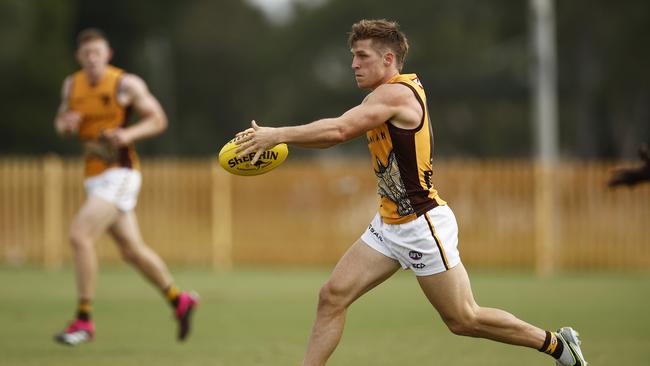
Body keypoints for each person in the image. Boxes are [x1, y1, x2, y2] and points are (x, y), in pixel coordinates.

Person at [235, 19, 587, 366]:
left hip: (422, 224)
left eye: (362, 56)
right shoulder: (381, 96)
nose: (353, 64)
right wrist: (282, 136)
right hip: (389, 225)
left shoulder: (397, 93)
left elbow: (340, 131)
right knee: (332, 296)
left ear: (388, 59)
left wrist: (277, 134)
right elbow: (334, 133)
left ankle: (558, 346)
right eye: (353, 56)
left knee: (463, 318)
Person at [53, 28, 198, 346]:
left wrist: (128, 136)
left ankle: (84, 320)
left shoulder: (124, 84)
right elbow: (61, 122)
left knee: (80, 236)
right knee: (131, 251)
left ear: (108, 54)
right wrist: (66, 125)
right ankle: (179, 300)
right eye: (86, 54)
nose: (92, 59)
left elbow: (158, 119)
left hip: (120, 173)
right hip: (93, 177)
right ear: (79, 57)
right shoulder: (71, 85)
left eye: (97, 53)